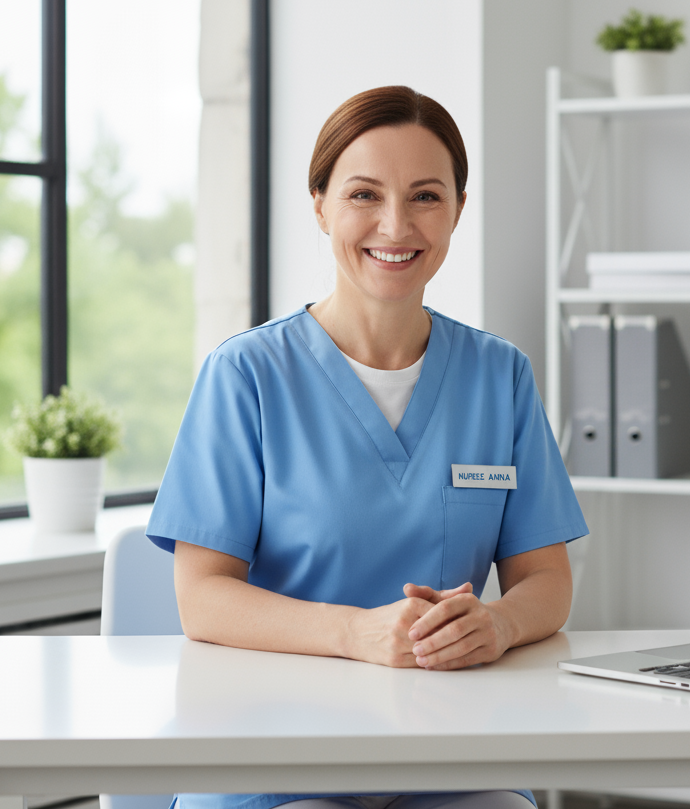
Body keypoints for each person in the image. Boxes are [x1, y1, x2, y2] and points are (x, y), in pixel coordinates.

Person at [146, 85, 589, 809]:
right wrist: (355, 632)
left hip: (448, 753)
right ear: (319, 203)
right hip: (277, 758)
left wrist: (499, 623)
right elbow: (202, 599)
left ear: (456, 210)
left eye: (425, 196)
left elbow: (547, 578)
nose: (395, 224)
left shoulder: (498, 375)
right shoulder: (247, 375)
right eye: (362, 194)